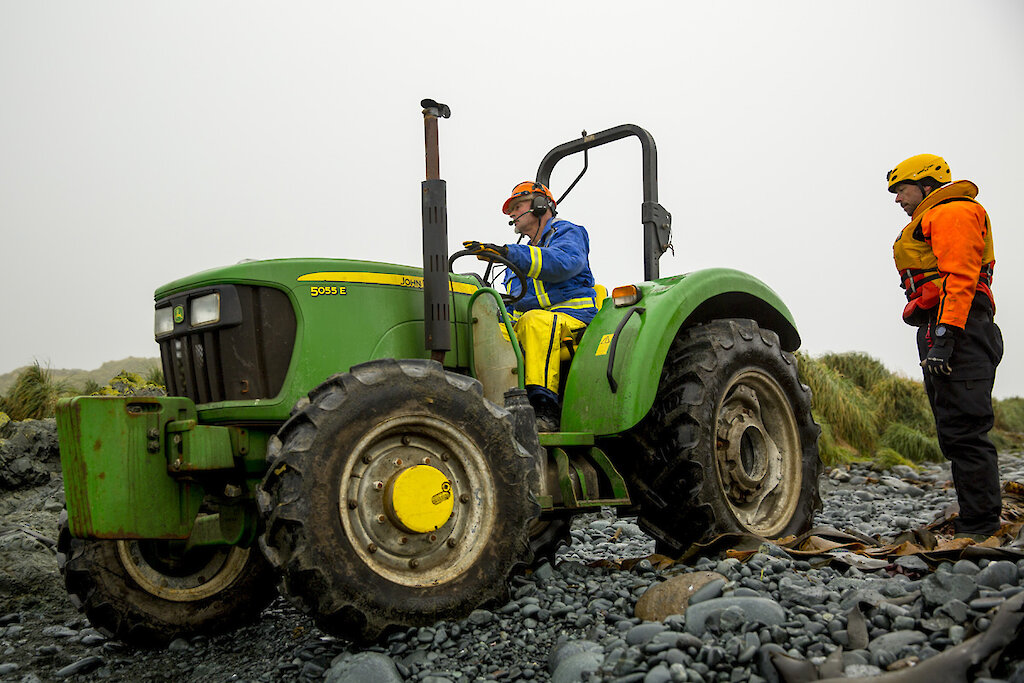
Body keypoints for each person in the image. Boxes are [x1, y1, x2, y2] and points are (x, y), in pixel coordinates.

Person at [887, 154, 1003, 540]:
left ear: (926, 186)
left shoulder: (952, 211)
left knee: (967, 430)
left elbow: (961, 277)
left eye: (901, 189)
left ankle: (982, 524)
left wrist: (946, 337)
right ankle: (976, 516)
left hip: (961, 327)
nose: (898, 199)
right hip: (945, 325)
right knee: (954, 430)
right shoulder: (933, 216)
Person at [463, 181, 598, 431]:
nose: (512, 214)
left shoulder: (566, 233)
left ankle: (544, 408)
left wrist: (508, 253)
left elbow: (564, 263)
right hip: (537, 321)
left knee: (535, 322)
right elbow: (517, 304)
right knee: (490, 333)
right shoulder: (522, 254)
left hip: (576, 319)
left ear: (540, 205)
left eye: (517, 206)